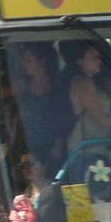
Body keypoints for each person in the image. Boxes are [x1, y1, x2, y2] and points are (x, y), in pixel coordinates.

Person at [65, 40, 111, 154]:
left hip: (99, 147)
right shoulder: (83, 83)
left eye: (98, 56)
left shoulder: (96, 82)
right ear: (79, 61)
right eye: (92, 57)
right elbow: (100, 118)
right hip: (84, 151)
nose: (98, 60)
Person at [15, 42, 71, 173]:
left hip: (53, 146)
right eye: (23, 61)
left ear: (42, 61)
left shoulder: (57, 85)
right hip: (29, 146)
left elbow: (64, 117)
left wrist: (58, 143)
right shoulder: (21, 86)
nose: (24, 65)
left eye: (29, 61)